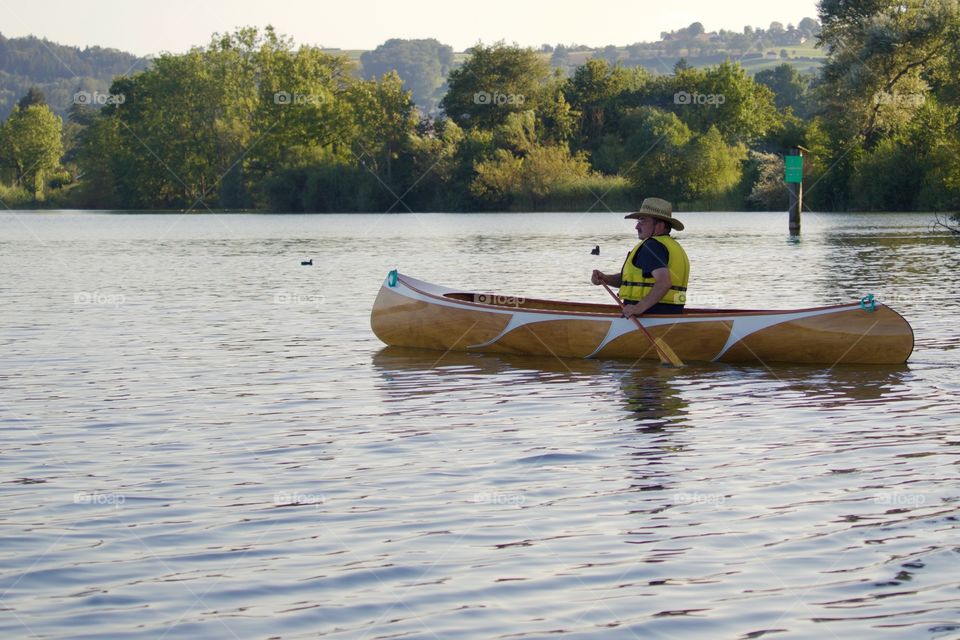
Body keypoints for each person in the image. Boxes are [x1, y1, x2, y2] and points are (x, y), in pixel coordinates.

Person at [591, 197, 689, 316]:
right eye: (638, 221)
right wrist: (605, 279)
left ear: (660, 225)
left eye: (643, 221)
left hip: (649, 317)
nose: (637, 227)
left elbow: (664, 282)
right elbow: (634, 281)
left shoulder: (652, 246)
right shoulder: (671, 246)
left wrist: (639, 308)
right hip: (670, 316)